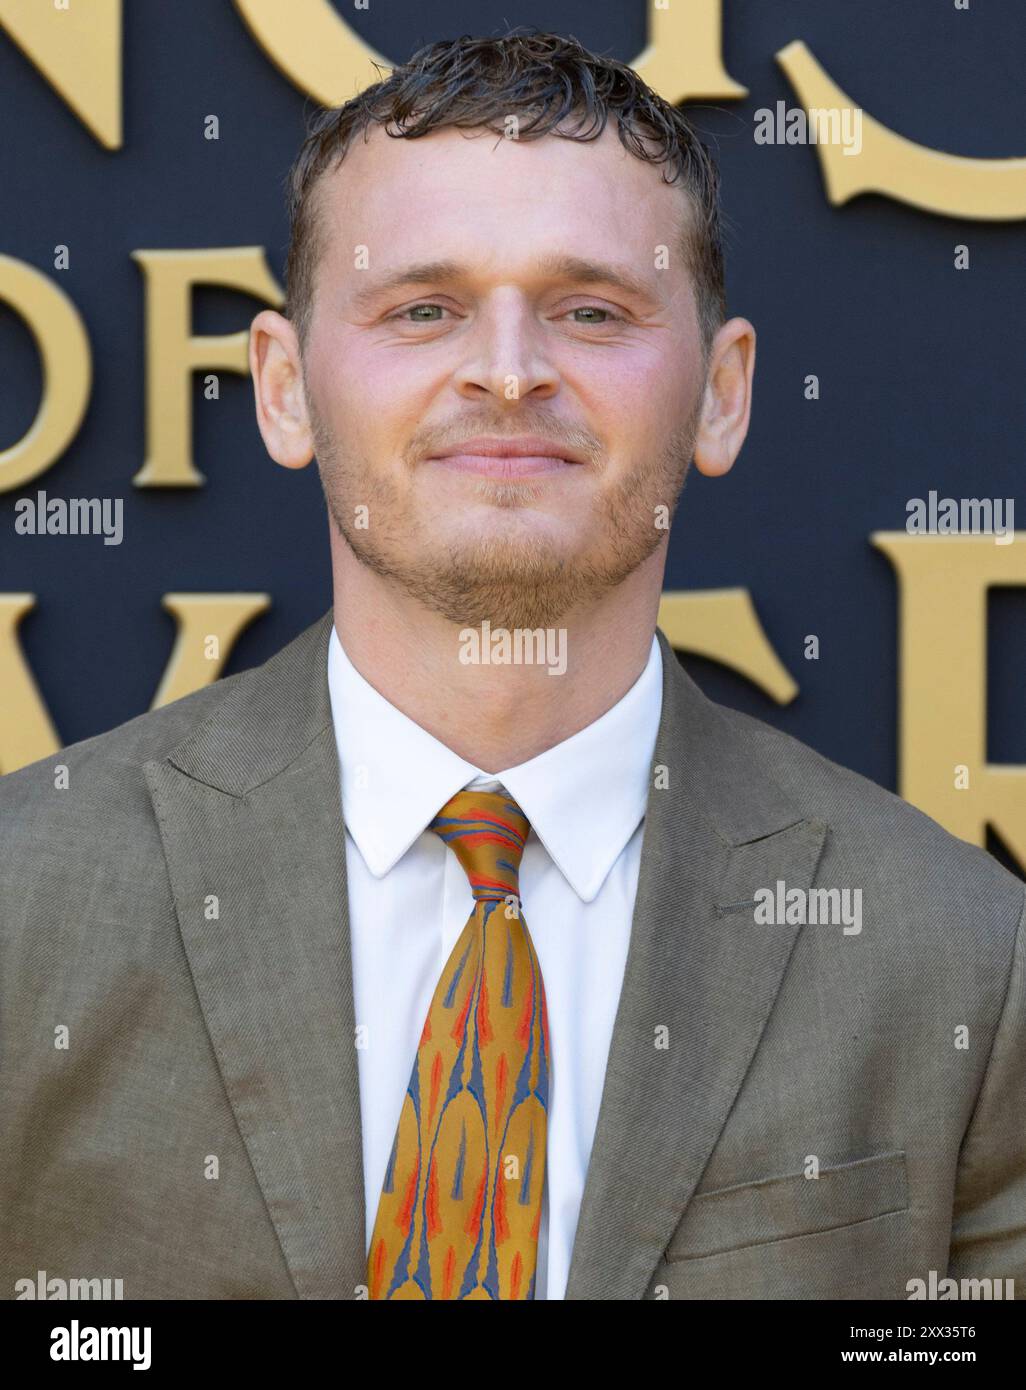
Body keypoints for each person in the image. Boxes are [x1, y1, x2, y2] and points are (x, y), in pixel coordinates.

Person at [1, 29, 1023, 1302]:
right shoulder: (22, 898)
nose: (506, 369)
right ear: (282, 389)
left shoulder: (967, 962)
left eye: (591, 310)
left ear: (721, 393)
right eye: (422, 308)